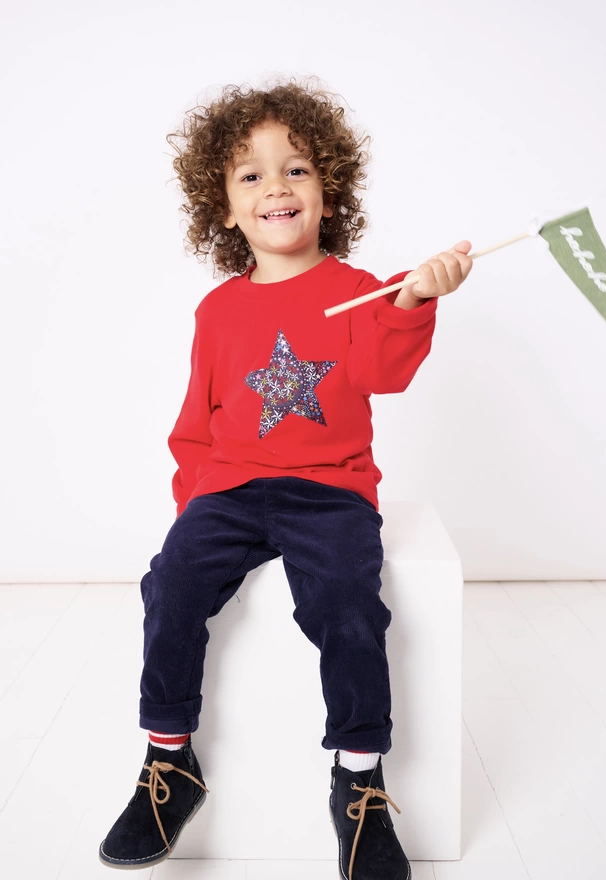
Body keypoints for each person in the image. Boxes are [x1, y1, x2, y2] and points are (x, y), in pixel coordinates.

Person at [98, 78, 472, 880]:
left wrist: (411, 300)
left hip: (328, 488)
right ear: (226, 209)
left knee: (345, 602)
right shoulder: (218, 311)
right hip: (229, 487)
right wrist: (194, 504)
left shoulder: (359, 291)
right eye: (252, 174)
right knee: (169, 585)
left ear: (328, 192)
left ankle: (360, 782)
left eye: (297, 169)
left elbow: (384, 371)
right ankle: (170, 763)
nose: (277, 185)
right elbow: (197, 419)